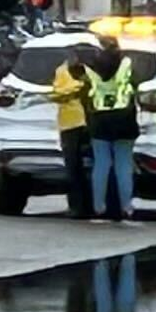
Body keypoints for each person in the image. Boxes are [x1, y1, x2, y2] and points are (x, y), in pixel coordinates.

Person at [83, 40, 142, 222]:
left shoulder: (91, 67)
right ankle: (126, 206)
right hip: (124, 119)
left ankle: (99, 206)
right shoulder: (127, 64)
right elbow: (135, 86)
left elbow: (86, 92)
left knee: (101, 164)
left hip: (99, 119)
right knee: (123, 164)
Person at [45, 41, 97, 220]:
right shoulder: (62, 71)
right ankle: (77, 206)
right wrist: (78, 88)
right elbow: (57, 92)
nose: (76, 58)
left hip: (91, 123)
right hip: (70, 124)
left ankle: (93, 205)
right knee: (73, 168)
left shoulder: (92, 71)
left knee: (92, 167)